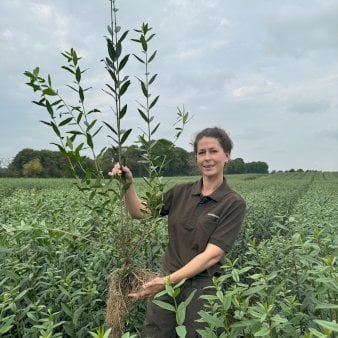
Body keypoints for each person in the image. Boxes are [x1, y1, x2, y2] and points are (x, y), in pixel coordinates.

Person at [108, 127, 246, 338]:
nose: (207, 158)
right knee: (156, 334)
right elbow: (139, 212)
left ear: (226, 156)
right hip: (167, 279)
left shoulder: (232, 202)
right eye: (201, 152)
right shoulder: (181, 191)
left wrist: (167, 281)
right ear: (196, 158)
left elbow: (212, 255)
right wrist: (127, 185)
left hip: (203, 287)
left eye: (213, 151)